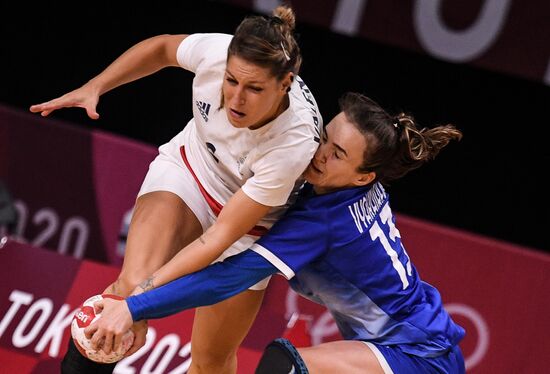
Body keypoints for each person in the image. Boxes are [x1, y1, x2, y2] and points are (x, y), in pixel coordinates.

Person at [30, 5, 322, 374]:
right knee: (128, 286)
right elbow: (163, 49)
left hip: (248, 226)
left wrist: (140, 305)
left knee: (211, 362)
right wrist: (96, 86)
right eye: (231, 81)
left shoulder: (293, 144)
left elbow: (218, 237)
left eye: (254, 88)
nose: (235, 99)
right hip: (191, 171)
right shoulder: (218, 52)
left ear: (286, 83)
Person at [87, 92, 466, 373]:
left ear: (363, 176)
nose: (320, 155)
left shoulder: (326, 221)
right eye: (325, 139)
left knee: (282, 367)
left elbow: (228, 278)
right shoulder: (347, 186)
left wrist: (136, 306)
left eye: (338, 155)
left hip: (420, 355)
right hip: (411, 342)